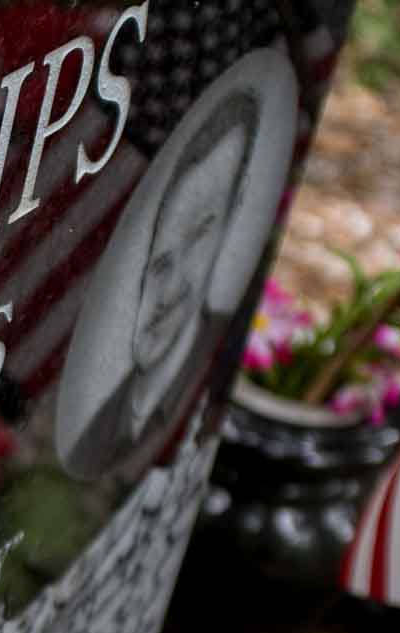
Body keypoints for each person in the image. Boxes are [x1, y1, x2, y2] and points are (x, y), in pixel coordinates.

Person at [56, 48, 297, 483]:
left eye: (201, 236)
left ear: (233, 221)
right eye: (161, 263)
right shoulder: (93, 432)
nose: (168, 292)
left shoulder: (210, 373)